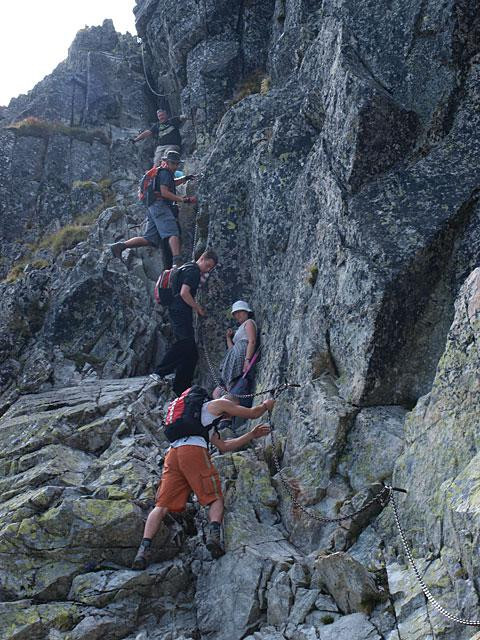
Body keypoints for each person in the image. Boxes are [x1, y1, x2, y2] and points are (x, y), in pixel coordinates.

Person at [132, 394, 276, 568]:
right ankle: (214, 537)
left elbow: (224, 446)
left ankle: (143, 550)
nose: (231, 415)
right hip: (193, 450)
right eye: (232, 411)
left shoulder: (201, 420)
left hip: (172, 454)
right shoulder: (218, 404)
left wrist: (251, 435)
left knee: (161, 505)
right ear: (230, 402)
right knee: (215, 498)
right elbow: (253, 413)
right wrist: (266, 405)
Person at [110, 150, 196, 266]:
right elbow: (164, 192)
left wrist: (185, 178)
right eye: (174, 163)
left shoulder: (162, 172)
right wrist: (183, 199)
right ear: (167, 162)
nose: (176, 166)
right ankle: (177, 262)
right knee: (173, 233)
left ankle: (120, 246)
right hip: (160, 206)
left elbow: (171, 184)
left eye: (177, 164)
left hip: (153, 207)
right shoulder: (165, 173)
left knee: (150, 239)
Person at [151, 249, 218, 395]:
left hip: (176, 309)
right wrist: (197, 308)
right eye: (208, 265)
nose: (208, 269)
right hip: (180, 311)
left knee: (191, 352)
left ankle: (181, 387)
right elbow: (184, 293)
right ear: (202, 258)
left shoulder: (186, 266)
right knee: (185, 342)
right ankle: (159, 372)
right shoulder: (193, 272)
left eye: (210, 268)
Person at [213, 300, 258, 402]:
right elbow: (231, 350)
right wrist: (228, 338)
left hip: (242, 357)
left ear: (246, 312)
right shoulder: (239, 329)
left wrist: (247, 360)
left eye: (240, 312)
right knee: (216, 393)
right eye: (235, 314)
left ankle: (230, 410)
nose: (237, 315)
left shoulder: (249, 322)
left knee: (231, 390)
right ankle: (227, 410)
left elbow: (252, 341)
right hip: (234, 357)